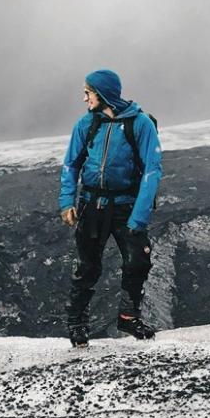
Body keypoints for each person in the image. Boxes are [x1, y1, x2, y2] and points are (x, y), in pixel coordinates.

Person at [58, 69, 163, 347]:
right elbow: (71, 164)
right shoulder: (87, 124)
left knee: (137, 261)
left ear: (103, 94)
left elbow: (152, 171)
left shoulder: (140, 124)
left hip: (125, 205)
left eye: (88, 93)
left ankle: (128, 317)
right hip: (92, 204)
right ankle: (77, 323)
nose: (85, 99)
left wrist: (139, 217)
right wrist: (67, 202)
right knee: (87, 266)